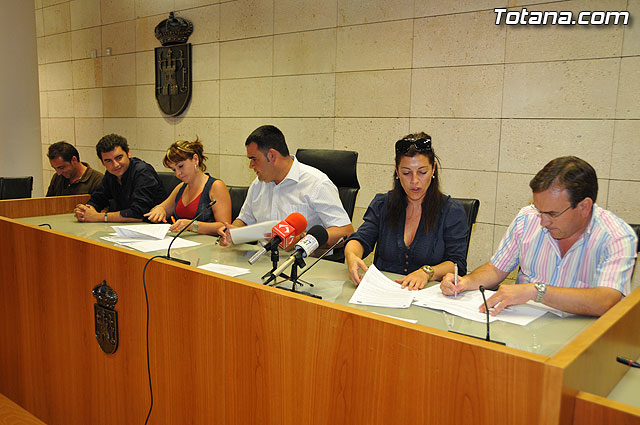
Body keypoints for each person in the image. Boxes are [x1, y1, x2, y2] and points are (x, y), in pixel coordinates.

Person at [441, 156, 638, 317]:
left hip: (582, 341)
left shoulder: (617, 237)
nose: (543, 222)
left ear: (584, 207)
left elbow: (605, 300)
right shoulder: (527, 219)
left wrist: (537, 292)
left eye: (552, 214)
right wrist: (466, 282)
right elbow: (495, 269)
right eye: (539, 210)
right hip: (523, 328)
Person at [344, 133, 468, 290]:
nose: (415, 181)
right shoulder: (383, 204)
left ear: (433, 169)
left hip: (429, 296)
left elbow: (457, 263)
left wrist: (427, 272)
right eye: (406, 173)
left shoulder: (452, 211)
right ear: (397, 171)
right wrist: (351, 256)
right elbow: (360, 239)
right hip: (384, 293)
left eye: (422, 172)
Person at [217, 125, 354, 247]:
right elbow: (244, 220)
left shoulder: (317, 184)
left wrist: (303, 239)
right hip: (260, 260)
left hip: (303, 265)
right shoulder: (258, 184)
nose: (251, 166)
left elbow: (345, 232)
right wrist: (232, 231)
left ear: (271, 155)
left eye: (254, 159)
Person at [144, 138, 232, 235]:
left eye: (180, 166)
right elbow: (162, 208)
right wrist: (159, 210)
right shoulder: (181, 187)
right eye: (174, 170)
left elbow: (224, 226)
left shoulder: (216, 186)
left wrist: (192, 225)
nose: (178, 174)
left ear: (195, 159)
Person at [74, 134, 166, 223]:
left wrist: (98, 217)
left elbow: (138, 213)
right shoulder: (111, 174)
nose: (115, 165)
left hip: (154, 228)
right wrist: (85, 211)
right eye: (108, 161)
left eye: (119, 157)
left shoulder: (143, 171)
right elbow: (97, 200)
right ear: (102, 163)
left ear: (128, 153)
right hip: (125, 229)